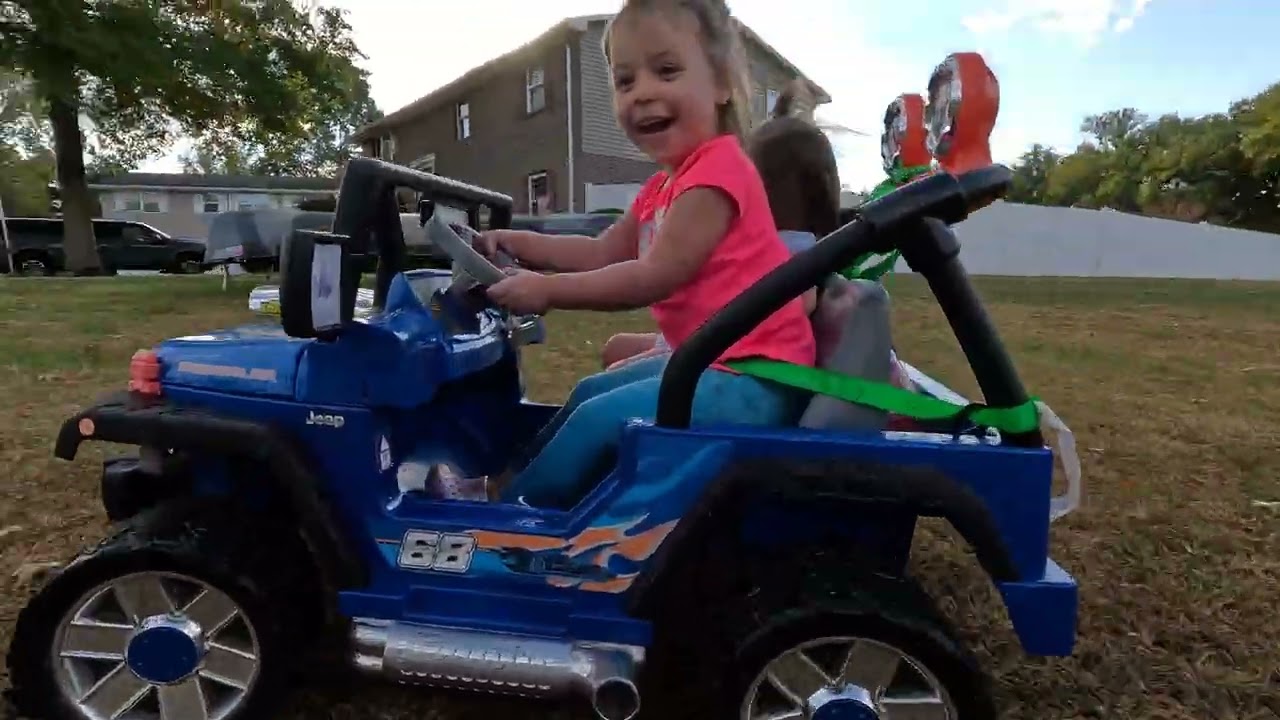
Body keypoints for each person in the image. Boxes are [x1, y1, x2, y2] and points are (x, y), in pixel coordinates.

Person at [460, 0, 816, 509]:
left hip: (758, 380)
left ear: (719, 84)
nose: (643, 92)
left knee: (596, 420)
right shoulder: (664, 187)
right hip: (712, 361)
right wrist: (519, 242)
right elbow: (602, 250)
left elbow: (653, 277)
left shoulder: (719, 174)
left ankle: (508, 519)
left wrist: (546, 290)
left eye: (666, 70)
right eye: (625, 81)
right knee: (587, 393)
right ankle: (509, 482)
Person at [599, 77, 829, 370]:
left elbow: (793, 304)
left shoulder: (795, 254)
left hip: (722, 358)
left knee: (614, 371)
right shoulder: (751, 238)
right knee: (616, 349)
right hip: (696, 343)